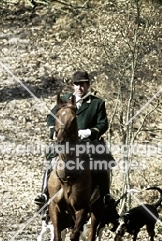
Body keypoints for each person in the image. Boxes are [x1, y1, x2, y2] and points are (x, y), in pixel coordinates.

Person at [34, 70, 115, 208]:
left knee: (102, 162)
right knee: (51, 158)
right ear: (73, 85)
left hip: (89, 142)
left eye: (82, 84)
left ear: (88, 85)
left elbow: (103, 124)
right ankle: (44, 193)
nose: (79, 88)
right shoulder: (65, 100)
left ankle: (106, 196)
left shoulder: (97, 103)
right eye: (76, 84)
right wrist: (53, 131)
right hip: (66, 142)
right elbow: (50, 117)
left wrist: (87, 132)